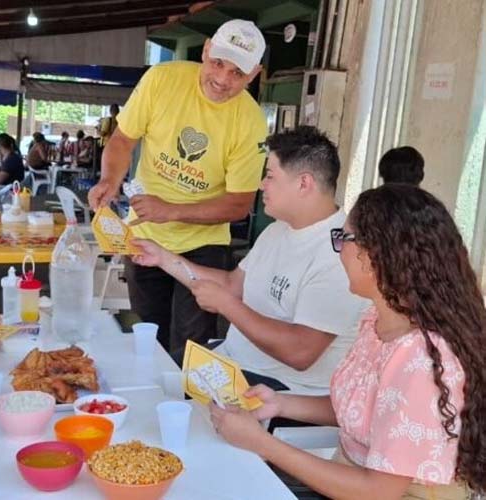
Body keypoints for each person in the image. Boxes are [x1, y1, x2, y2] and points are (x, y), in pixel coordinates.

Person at [209, 184, 486, 499]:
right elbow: (365, 409)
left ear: (373, 255)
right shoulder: (378, 322)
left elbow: (377, 491)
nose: (337, 251)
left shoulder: (419, 359)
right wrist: (281, 403)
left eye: (342, 239)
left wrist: (263, 445)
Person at [134, 127, 369, 395]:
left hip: (281, 390)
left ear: (304, 183)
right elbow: (233, 284)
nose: (261, 185)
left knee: (152, 398)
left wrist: (227, 306)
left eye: (270, 176)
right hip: (231, 361)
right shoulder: (277, 230)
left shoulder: (341, 252)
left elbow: (301, 353)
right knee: (144, 378)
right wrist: (163, 258)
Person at [89, 19, 269, 357]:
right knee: (148, 331)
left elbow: (239, 204)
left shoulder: (250, 121)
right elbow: (123, 139)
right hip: (145, 236)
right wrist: (109, 180)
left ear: (254, 74)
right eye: (218, 63)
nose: (222, 79)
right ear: (205, 51)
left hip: (203, 247)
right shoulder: (162, 79)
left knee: (191, 345)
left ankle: (187, 408)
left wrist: (170, 210)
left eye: (237, 73)